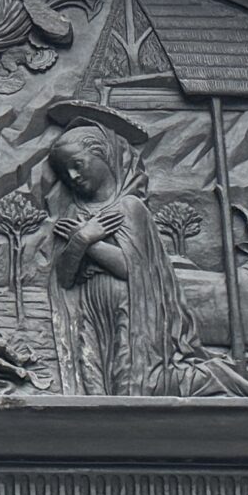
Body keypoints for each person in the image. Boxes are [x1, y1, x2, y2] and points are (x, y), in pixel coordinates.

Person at [42, 102, 215, 396]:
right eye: (63, 172)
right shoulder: (73, 213)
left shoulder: (130, 208)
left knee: (126, 381)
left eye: (77, 164)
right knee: (94, 384)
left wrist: (86, 241)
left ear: (104, 154)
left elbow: (131, 268)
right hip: (89, 315)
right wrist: (80, 241)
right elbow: (65, 278)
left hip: (131, 315)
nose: (71, 176)